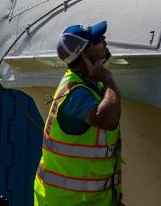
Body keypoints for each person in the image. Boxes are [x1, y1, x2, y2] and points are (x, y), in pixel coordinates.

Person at [34, 22, 123, 206]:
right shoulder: (75, 93)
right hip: (68, 202)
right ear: (84, 55)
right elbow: (109, 119)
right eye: (98, 40)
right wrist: (107, 78)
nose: (104, 42)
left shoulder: (89, 84)